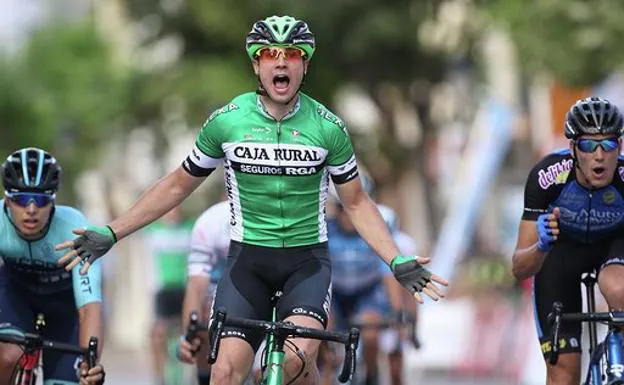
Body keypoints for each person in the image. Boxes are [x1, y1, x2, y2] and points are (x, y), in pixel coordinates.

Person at [55, 15, 448, 385]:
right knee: (224, 372)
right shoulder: (228, 121)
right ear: (257, 66)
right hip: (247, 264)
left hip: (306, 264)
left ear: (304, 66)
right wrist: (112, 231)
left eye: (292, 55)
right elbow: (177, 185)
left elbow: (358, 203)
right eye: (270, 55)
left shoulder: (329, 128)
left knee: (295, 361)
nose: (282, 63)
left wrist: (395, 259)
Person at [512, 96, 624, 385]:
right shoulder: (546, 177)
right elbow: (520, 267)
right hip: (560, 256)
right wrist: (541, 246)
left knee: (617, 287)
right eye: (588, 145)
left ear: (620, 146)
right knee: (563, 375)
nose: (599, 155)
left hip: (614, 248)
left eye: (609, 144)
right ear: (573, 148)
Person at [0, 147, 105, 384]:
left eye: (40, 199)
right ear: (7, 199)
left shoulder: (75, 227)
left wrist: (91, 361)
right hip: (16, 296)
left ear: (53, 201)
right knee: (7, 355)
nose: (31, 210)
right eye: (20, 199)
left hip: (65, 306)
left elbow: (89, 307)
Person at [326, 178, 417, 385]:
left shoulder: (374, 231)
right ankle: (329, 369)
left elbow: (388, 272)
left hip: (366, 292)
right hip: (336, 294)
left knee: (370, 332)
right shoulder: (326, 230)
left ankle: (370, 374)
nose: (348, 215)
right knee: (325, 337)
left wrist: (396, 310)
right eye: (342, 208)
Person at [176, 198, 230, 385]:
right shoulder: (211, 221)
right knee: (205, 321)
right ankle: (205, 375)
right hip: (217, 291)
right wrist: (188, 335)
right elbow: (196, 286)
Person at [143, 205, 193, 385]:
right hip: (163, 290)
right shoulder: (154, 231)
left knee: (188, 332)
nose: (173, 213)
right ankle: (159, 377)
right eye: (169, 210)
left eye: (177, 210)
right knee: (157, 333)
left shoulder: (190, 229)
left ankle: (188, 375)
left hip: (185, 290)